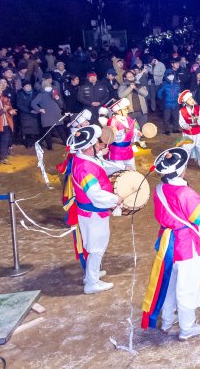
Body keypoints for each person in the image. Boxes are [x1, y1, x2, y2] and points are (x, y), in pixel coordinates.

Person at [141, 148, 200, 340]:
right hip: (184, 245)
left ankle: (167, 319)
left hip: (166, 243)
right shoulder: (186, 193)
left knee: (169, 282)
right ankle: (187, 327)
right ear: (180, 170)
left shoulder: (159, 188)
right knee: (187, 286)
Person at [63, 125, 125, 294]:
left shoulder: (84, 159)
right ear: (89, 146)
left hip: (91, 212)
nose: (100, 144)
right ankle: (92, 282)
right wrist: (115, 200)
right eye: (97, 143)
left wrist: (121, 168)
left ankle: (92, 273)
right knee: (97, 246)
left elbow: (101, 169)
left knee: (94, 245)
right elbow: (94, 194)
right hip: (93, 212)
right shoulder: (84, 168)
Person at [177, 90, 200, 172]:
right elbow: (181, 122)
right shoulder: (181, 111)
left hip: (199, 132)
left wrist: (197, 121)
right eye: (189, 99)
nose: (192, 100)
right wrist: (186, 126)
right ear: (185, 102)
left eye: (192, 98)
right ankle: (182, 166)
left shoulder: (199, 108)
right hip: (188, 134)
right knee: (186, 149)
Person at [31, 80, 68, 150]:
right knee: (48, 132)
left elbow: (61, 104)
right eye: (47, 86)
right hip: (47, 115)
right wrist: (39, 109)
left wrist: (58, 99)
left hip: (56, 114)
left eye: (49, 86)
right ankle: (49, 147)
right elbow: (33, 103)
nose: (48, 87)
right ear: (43, 87)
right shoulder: (40, 95)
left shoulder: (54, 93)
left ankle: (66, 143)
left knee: (61, 130)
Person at [106, 98, 141, 169]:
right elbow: (112, 136)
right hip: (116, 151)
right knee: (119, 171)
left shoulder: (129, 119)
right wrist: (123, 132)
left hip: (128, 150)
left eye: (127, 108)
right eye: (125, 109)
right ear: (118, 111)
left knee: (132, 169)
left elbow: (133, 130)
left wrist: (137, 133)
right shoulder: (113, 121)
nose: (127, 111)